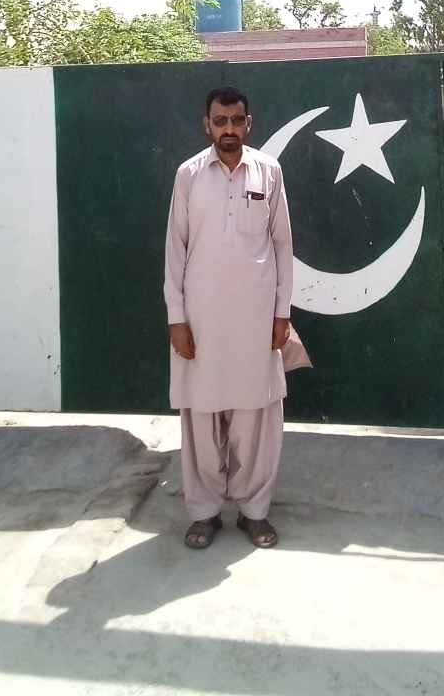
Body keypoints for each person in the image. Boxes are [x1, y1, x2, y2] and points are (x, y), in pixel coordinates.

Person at [163, 85, 293, 550]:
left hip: (256, 320)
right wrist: (177, 318)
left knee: (255, 418)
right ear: (208, 125)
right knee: (201, 418)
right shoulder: (189, 174)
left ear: (248, 123)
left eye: (237, 121)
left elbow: (283, 245)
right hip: (200, 322)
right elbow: (175, 248)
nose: (229, 130)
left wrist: (282, 313)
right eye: (220, 122)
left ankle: (254, 512)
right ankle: (204, 513)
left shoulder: (269, 170)